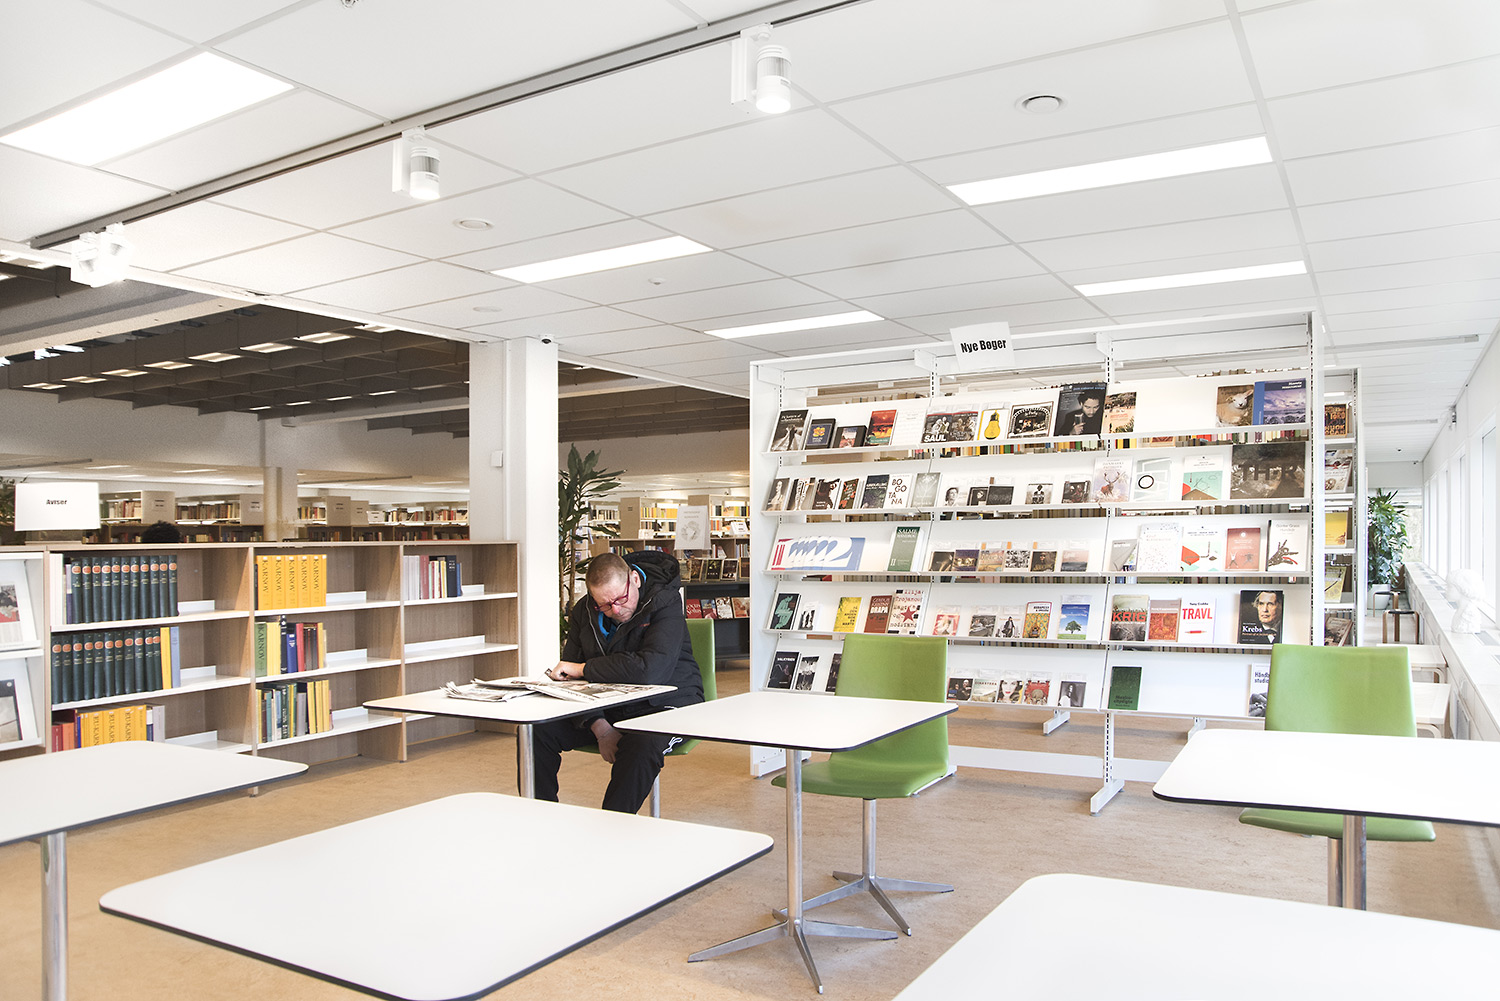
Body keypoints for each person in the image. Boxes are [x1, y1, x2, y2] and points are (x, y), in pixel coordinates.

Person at [535, 551, 704, 812]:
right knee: (537, 731)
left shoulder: (665, 601)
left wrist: (585, 668)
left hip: (666, 705)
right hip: (610, 707)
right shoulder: (584, 611)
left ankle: (611, 827)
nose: (615, 610)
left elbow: (651, 671)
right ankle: (540, 815)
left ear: (634, 579)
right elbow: (570, 680)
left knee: (641, 745)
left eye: (620, 599)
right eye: (604, 605)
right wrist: (599, 726)